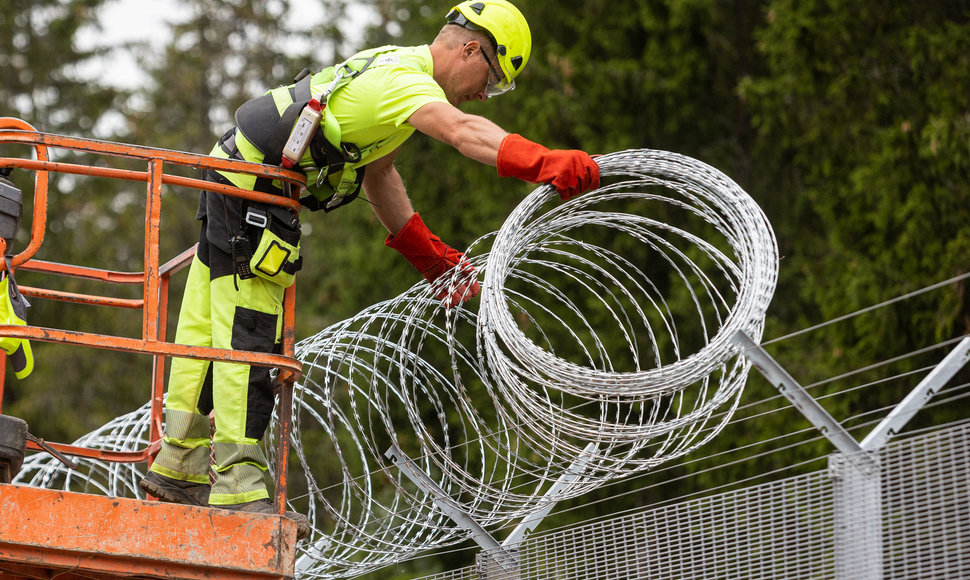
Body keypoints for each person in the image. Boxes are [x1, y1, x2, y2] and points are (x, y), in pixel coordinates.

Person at [139, 0, 599, 540]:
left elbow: (378, 174)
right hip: (252, 191)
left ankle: (179, 466)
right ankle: (239, 489)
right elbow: (464, 132)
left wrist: (428, 256)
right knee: (249, 334)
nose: (483, 93)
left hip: (233, 178)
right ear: (471, 49)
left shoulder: (393, 66)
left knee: (205, 326)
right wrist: (544, 161)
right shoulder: (407, 81)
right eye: (492, 81)